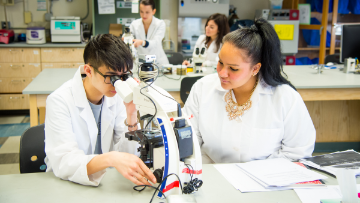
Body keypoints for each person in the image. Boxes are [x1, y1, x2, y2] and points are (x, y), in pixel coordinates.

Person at [183, 18, 316, 163]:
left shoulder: (285, 97)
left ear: (255, 68)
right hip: (210, 174)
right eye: (220, 62)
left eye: (233, 68)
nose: (222, 73)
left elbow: (298, 153)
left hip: (264, 180)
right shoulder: (202, 88)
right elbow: (187, 141)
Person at [44, 34, 157, 186]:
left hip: (106, 183)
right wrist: (111, 158)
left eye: (123, 76)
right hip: (66, 184)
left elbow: (129, 155)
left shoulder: (115, 95)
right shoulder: (59, 101)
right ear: (88, 71)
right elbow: (65, 162)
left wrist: (131, 115)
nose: (117, 83)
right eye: (111, 76)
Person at [127, 0, 169, 65]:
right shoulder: (134, 24)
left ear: (153, 11)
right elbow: (129, 36)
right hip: (141, 62)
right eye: (141, 12)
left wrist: (142, 42)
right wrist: (126, 39)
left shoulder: (160, 24)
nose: (144, 15)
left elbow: (156, 42)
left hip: (158, 62)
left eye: (147, 12)